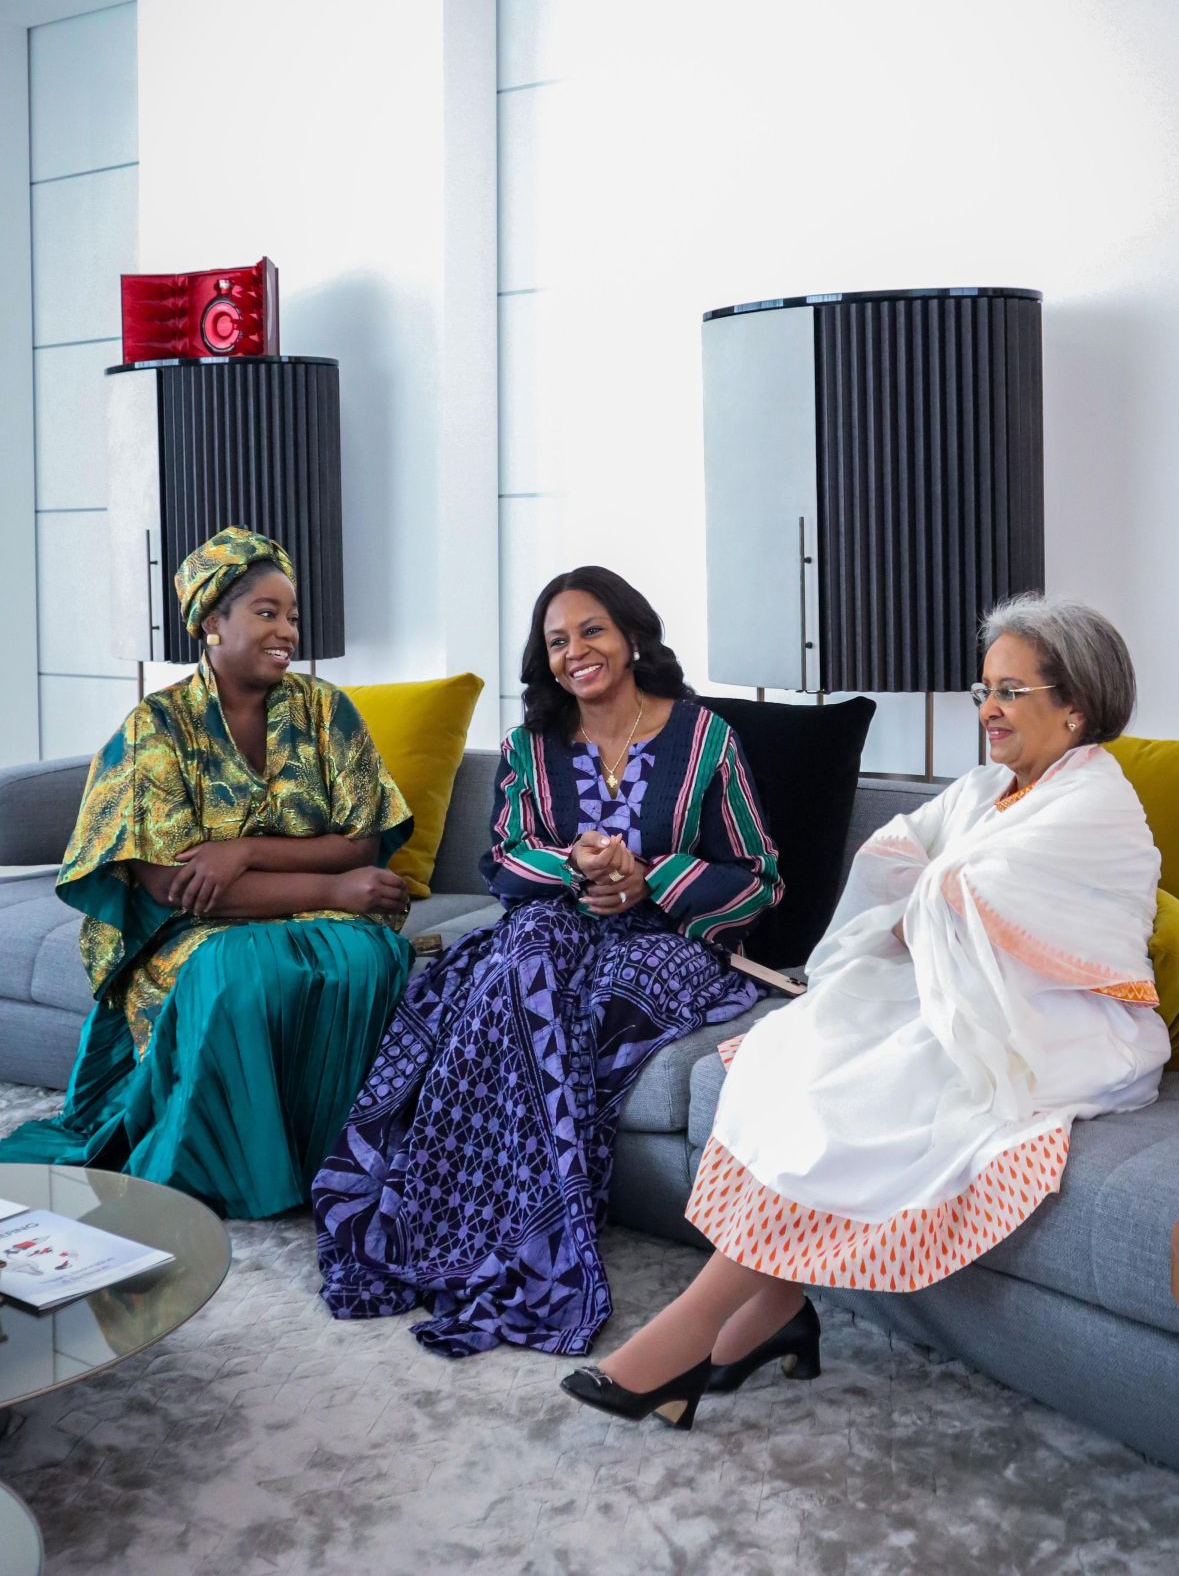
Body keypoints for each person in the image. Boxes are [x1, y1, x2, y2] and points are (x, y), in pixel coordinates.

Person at [562, 593, 1169, 1431]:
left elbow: (966, 893)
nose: (988, 709)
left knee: (865, 1092)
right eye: (984, 689)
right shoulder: (989, 788)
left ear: (1075, 706)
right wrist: (935, 899)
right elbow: (897, 854)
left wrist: (938, 899)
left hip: (1056, 1025)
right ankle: (775, 1310)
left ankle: (688, 1338)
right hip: (961, 993)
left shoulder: (1098, 801)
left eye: (1010, 691)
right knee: (794, 1048)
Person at [312, 565, 782, 1357]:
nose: (575, 651)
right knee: (521, 957)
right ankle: (462, 1226)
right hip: (556, 927)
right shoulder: (528, 746)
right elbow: (504, 860)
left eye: (591, 630)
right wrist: (574, 864)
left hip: (667, 944)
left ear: (632, 636)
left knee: (566, 990)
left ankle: (525, 1240)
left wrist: (650, 876)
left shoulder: (705, 740)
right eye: (557, 641)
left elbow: (757, 876)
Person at [0, 527, 414, 1218]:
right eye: (266, 612)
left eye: (292, 616)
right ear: (211, 622)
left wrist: (242, 851)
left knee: (369, 956)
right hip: (189, 929)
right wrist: (332, 888)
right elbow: (176, 888)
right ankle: (236, 1176)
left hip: (309, 910)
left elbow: (361, 840)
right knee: (235, 972)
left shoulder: (325, 710)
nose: (287, 631)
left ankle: (333, 1163)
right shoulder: (156, 727)